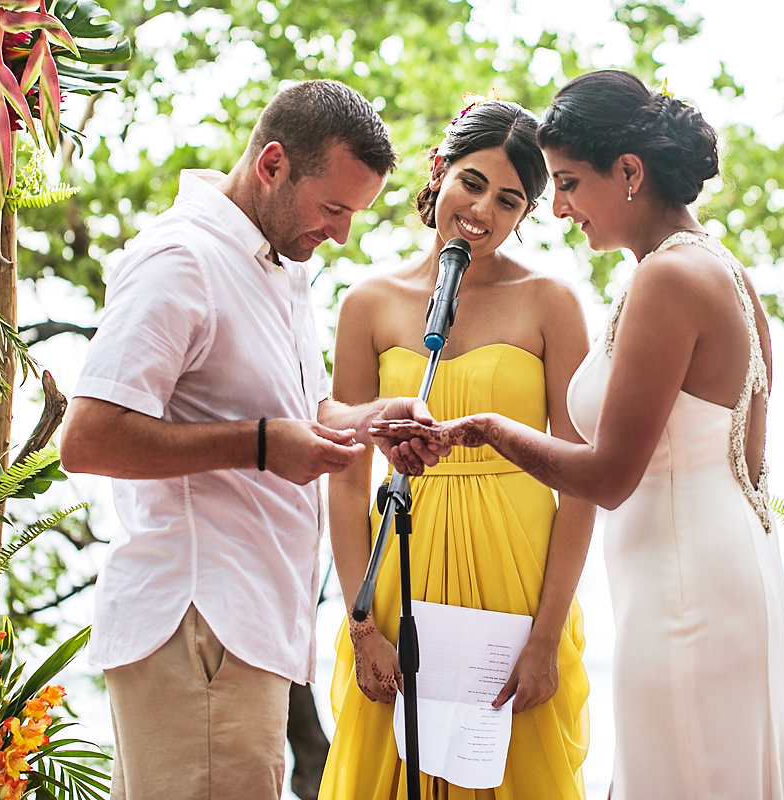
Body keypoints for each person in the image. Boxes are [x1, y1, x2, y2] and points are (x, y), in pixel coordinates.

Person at [372, 71, 784, 799]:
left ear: (630, 173)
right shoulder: (719, 267)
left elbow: (608, 476)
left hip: (685, 587)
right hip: (721, 563)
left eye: (569, 182)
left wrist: (487, 429)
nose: (562, 206)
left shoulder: (667, 280)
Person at [59, 79, 444, 800]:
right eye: (333, 208)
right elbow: (89, 438)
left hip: (248, 627)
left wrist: (372, 419)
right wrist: (262, 446)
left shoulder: (275, 265)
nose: (340, 234)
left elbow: (298, 414)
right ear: (272, 165)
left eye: (354, 214)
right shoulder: (182, 259)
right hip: (200, 629)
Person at [319, 98, 595, 800]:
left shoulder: (552, 304)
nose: (482, 211)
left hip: (519, 580)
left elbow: (582, 482)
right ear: (439, 172)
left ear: (527, 213)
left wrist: (544, 638)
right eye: (472, 183)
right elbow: (346, 478)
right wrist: (361, 627)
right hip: (400, 575)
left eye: (509, 200)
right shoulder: (368, 303)